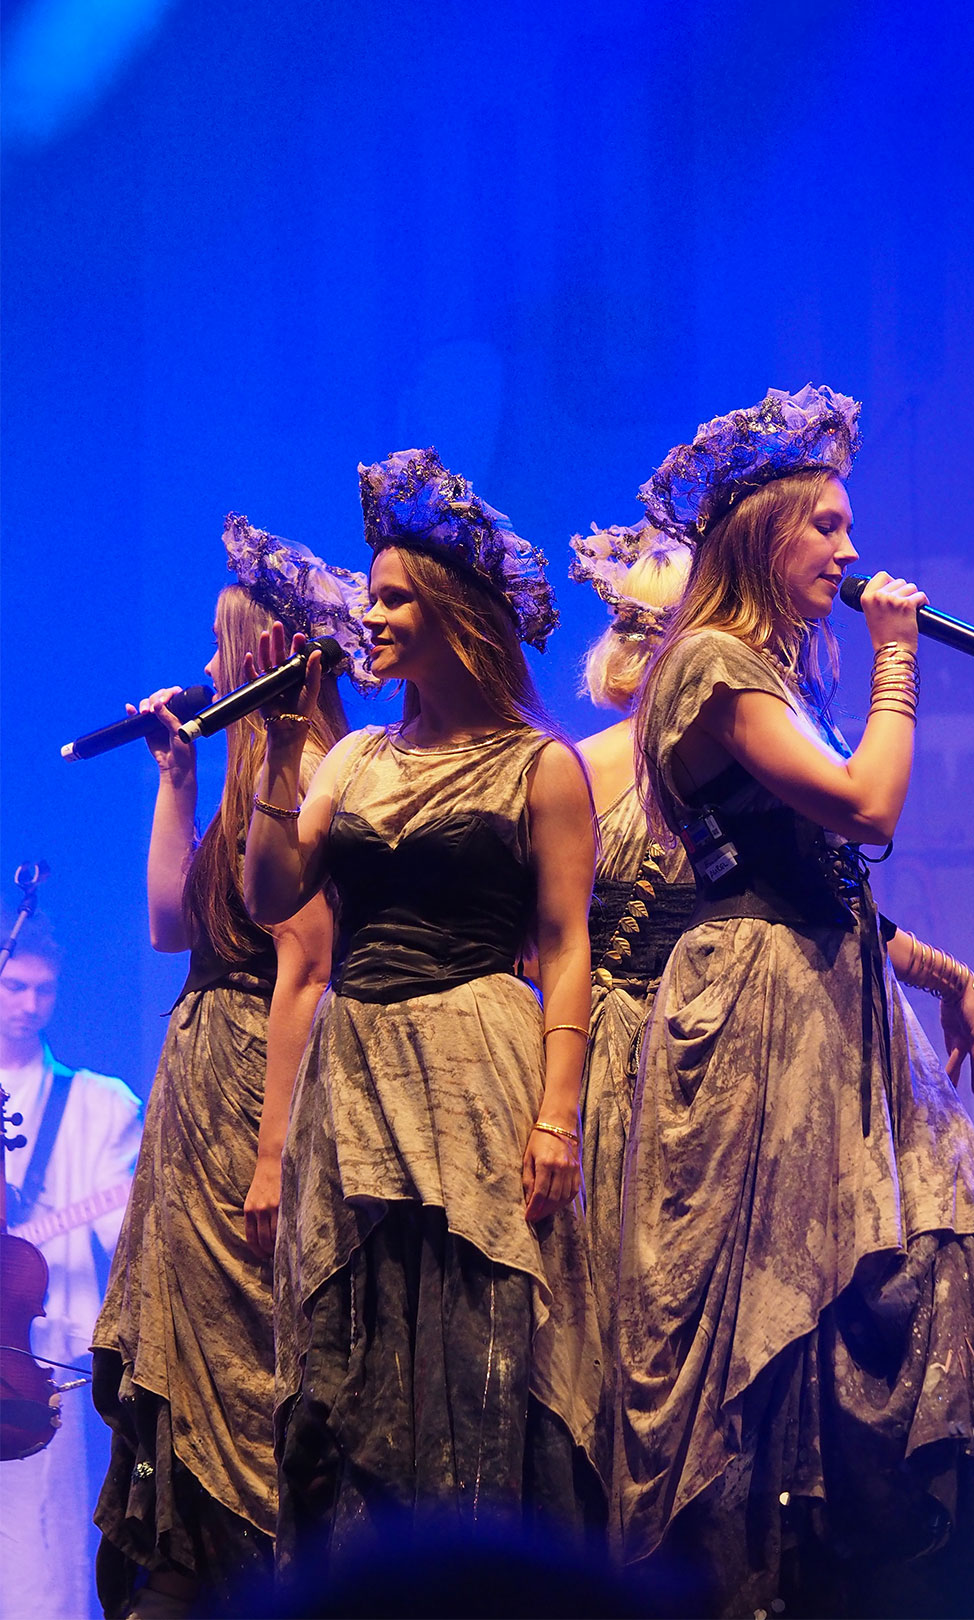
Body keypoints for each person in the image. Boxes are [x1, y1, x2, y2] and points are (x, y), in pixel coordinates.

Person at [615, 385, 974, 1618]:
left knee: (944, 1254)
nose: (853, 557)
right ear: (765, 537)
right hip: (756, 1018)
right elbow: (867, 812)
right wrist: (900, 660)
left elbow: (826, 884)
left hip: (831, 999)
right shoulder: (709, 660)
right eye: (830, 530)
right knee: (782, 1302)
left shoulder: (771, 673)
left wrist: (937, 969)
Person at [242, 448, 604, 1573]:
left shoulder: (536, 765)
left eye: (394, 596)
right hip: (356, 1068)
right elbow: (271, 896)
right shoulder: (350, 754)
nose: (372, 613)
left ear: (454, 614)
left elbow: (565, 945)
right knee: (355, 1346)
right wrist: (280, 748)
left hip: (474, 1063)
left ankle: (485, 1577)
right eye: (372, 593)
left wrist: (557, 1116)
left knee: (476, 1333)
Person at [90, 517, 367, 1619]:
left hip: (259, 1080)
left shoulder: (309, 768)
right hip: (194, 1082)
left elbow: (304, 969)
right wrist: (175, 776)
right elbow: (169, 928)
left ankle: (259, 1567)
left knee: (251, 1346)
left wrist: (271, 1161)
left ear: (267, 653)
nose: (207, 668)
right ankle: (187, 1565)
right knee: (183, 1339)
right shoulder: (247, 768)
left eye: (222, 646)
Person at [567, 519, 695, 1483]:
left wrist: (938, 968)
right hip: (609, 1062)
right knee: (613, 1315)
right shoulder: (581, 768)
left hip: (718, 1055)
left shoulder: (736, 764)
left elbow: (821, 897)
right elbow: (540, 943)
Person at [0, 909, 141, 1620]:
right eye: (15, 988)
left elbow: (129, 1230)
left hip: (40, 1361)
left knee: (42, 1545)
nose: (29, 1006)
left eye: (44, 991)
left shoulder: (98, 1103)